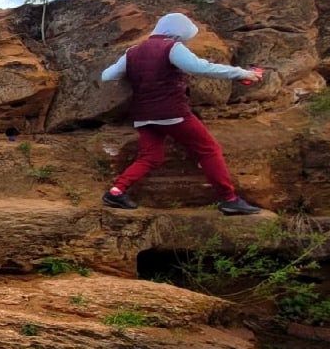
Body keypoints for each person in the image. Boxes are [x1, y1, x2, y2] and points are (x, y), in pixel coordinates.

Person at [100, 12, 265, 215]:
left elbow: (107, 75)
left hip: (143, 115)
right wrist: (243, 73)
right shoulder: (172, 47)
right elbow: (200, 68)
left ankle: (116, 192)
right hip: (172, 112)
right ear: (178, 33)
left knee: (151, 157)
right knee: (208, 150)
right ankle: (229, 199)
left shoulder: (132, 52)